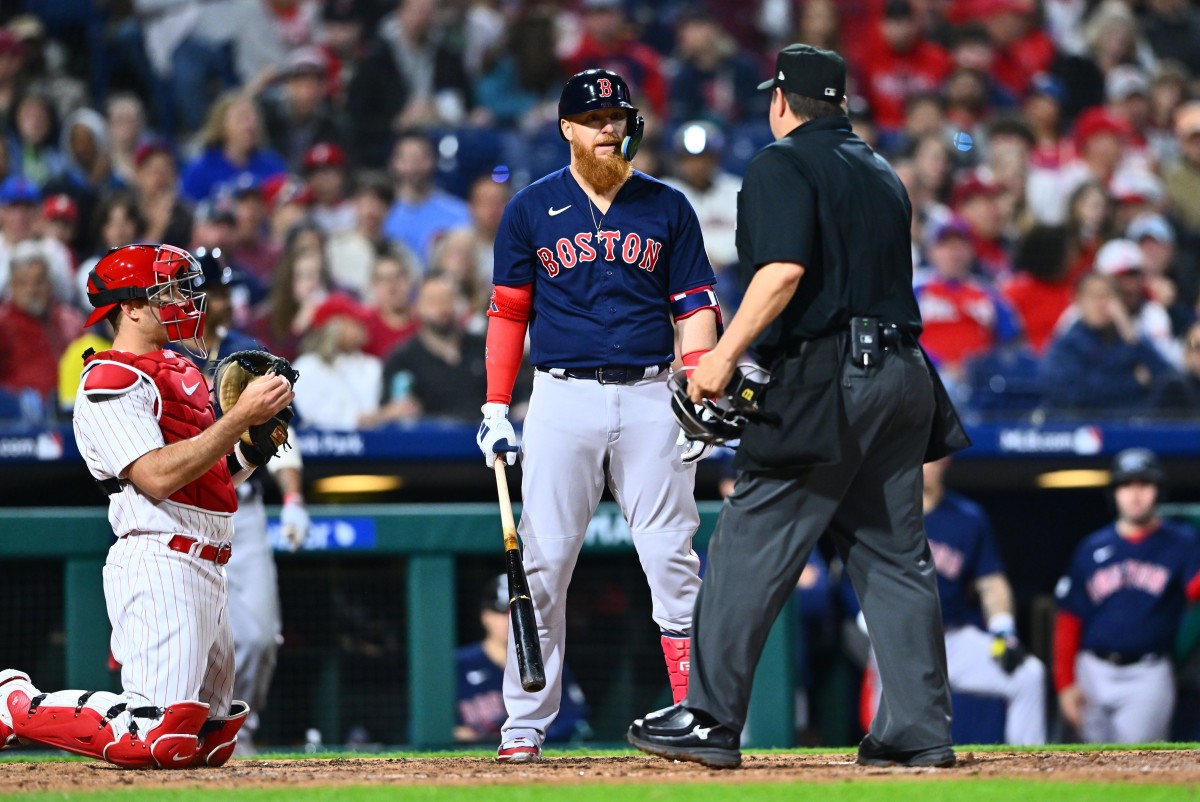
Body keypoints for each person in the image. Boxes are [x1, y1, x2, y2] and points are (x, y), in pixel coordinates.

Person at [627, 44, 966, 770]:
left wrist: (719, 358)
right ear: (839, 103)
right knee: (895, 556)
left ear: (782, 100)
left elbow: (783, 273)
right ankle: (917, 730)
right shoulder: (881, 171)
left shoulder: (783, 162)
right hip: (904, 374)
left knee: (748, 540)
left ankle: (710, 719)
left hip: (834, 377)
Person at [477, 68, 718, 764]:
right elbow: (509, 312)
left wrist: (698, 387)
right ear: (567, 130)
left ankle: (697, 709)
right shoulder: (530, 208)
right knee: (544, 561)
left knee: (672, 558)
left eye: (617, 116)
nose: (610, 128)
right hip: (562, 395)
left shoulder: (667, 206)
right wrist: (496, 405)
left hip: (650, 393)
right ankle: (524, 722)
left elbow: (695, 308)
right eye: (595, 119)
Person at [0, 242, 295, 768]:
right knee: (155, 735)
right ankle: (16, 705)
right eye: (170, 291)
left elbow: (206, 477)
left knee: (208, 741)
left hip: (210, 565)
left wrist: (251, 447)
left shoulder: (179, 372)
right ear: (131, 307)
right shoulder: (107, 378)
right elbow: (156, 476)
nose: (185, 300)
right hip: (159, 559)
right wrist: (236, 418)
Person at [182, 247, 311, 756]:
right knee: (189, 636)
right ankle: (188, 726)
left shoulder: (247, 351)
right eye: (212, 291)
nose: (222, 300)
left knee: (257, 637)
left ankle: (240, 730)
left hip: (244, 505)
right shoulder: (171, 354)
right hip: (185, 507)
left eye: (224, 290)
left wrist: (295, 498)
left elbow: (277, 437)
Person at [861, 458, 1047, 745]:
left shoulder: (967, 518)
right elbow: (855, 574)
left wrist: (1003, 628)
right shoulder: (881, 514)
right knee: (888, 729)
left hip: (953, 641)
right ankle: (885, 778)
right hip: (899, 640)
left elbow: (991, 582)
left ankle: (1030, 767)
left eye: (930, 459)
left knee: (1028, 676)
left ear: (944, 463)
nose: (922, 466)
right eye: (917, 458)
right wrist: (868, 615)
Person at [1053, 448, 1200, 743]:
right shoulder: (1092, 546)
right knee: (1091, 769)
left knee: (1141, 767)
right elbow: (1069, 617)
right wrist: (1065, 683)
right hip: (1092, 671)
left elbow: (1194, 591)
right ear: (1115, 493)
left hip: (1147, 673)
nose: (1135, 495)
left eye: (1144, 485)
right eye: (1126, 485)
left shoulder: (1181, 541)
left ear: (1157, 490)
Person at [455, 575, 591, 745]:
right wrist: (453, 733)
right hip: (471, 758)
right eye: (502, 612)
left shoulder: (547, 659)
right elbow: (423, 722)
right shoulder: (457, 665)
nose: (511, 620)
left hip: (535, 756)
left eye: (519, 611)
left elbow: (573, 718)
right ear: (485, 616)